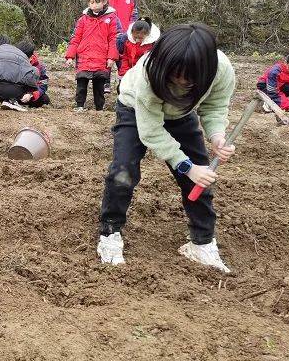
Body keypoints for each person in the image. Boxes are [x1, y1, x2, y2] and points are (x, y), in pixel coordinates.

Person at [97, 23, 236, 272]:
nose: (181, 81)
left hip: (181, 114)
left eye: (189, 78)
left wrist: (216, 136)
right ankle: (110, 232)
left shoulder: (220, 69)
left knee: (200, 177)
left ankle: (202, 242)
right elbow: (150, 131)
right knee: (123, 171)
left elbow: (215, 106)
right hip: (135, 108)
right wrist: (185, 165)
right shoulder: (150, 72)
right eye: (175, 75)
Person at [65, 0, 121, 111]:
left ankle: (99, 108)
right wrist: (70, 56)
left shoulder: (112, 18)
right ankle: (79, 105)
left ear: (104, 2)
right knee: (81, 84)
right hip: (84, 56)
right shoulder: (83, 19)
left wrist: (111, 57)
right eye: (91, 3)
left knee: (99, 86)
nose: (94, 5)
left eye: (97, 2)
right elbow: (76, 38)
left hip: (101, 57)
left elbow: (113, 39)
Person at [0, 36, 48, 111]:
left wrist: (31, 94)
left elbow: (43, 84)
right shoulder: (19, 59)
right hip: (15, 91)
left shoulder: (39, 66)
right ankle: (10, 100)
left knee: (44, 98)